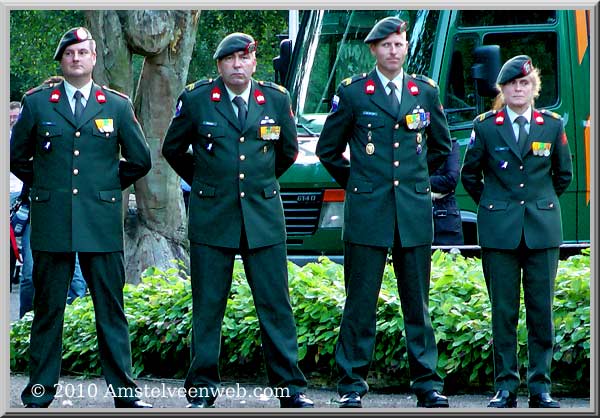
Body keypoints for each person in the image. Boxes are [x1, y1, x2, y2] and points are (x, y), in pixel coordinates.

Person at [162, 32, 313, 409]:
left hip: (262, 217)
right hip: (214, 218)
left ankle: (289, 389)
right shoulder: (198, 100)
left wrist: (258, 185)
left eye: (244, 58)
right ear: (219, 65)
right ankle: (201, 390)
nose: (237, 65)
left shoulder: (276, 99)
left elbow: (287, 153)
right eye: (230, 60)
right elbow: (172, 148)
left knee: (276, 305)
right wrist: (207, 182)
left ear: (253, 62)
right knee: (208, 306)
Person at [10, 27, 152, 408]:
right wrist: (46, 184)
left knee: (110, 309)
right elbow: (17, 156)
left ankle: (125, 393)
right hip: (53, 219)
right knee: (47, 310)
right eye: (69, 53)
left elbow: (140, 160)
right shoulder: (38, 103)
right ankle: (39, 391)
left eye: (83, 52)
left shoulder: (116, 106)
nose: (76, 58)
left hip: (100, 220)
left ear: (94, 59)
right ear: (61, 60)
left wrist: (104, 186)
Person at [315, 17, 452, 408]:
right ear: (373, 49)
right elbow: (328, 149)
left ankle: (427, 383)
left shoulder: (423, 91)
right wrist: (359, 180)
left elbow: (441, 147)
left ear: (406, 48)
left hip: (411, 211)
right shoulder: (355, 92)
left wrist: (418, 182)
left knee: (418, 303)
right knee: (360, 302)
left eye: (399, 44)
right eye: (386, 45)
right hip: (368, 210)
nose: (394, 51)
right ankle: (351, 384)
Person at [461, 55, 572, 408]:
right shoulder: (486, 127)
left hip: (541, 230)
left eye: (524, 83)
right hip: (499, 231)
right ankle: (505, 387)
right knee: (503, 313)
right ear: (503, 89)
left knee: (541, 312)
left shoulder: (551, 126)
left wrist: (537, 204)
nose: (518, 89)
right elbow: (469, 174)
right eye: (511, 84)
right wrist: (496, 205)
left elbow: (563, 176)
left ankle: (541, 387)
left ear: (534, 87)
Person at [431, 138, 464, 246]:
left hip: (445, 215)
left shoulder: (451, 145)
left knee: (450, 260)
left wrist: (419, 182)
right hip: (416, 215)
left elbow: (451, 180)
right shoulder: (411, 143)